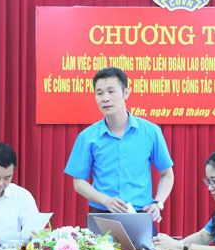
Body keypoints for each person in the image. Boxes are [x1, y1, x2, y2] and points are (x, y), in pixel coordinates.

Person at [64, 66, 174, 223]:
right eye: (99, 93)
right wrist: (105, 200)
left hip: (140, 214)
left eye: (111, 91)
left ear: (126, 93)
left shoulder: (150, 131)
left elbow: (167, 174)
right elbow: (79, 182)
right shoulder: (87, 137)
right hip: (103, 213)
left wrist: (158, 203)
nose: (105, 98)